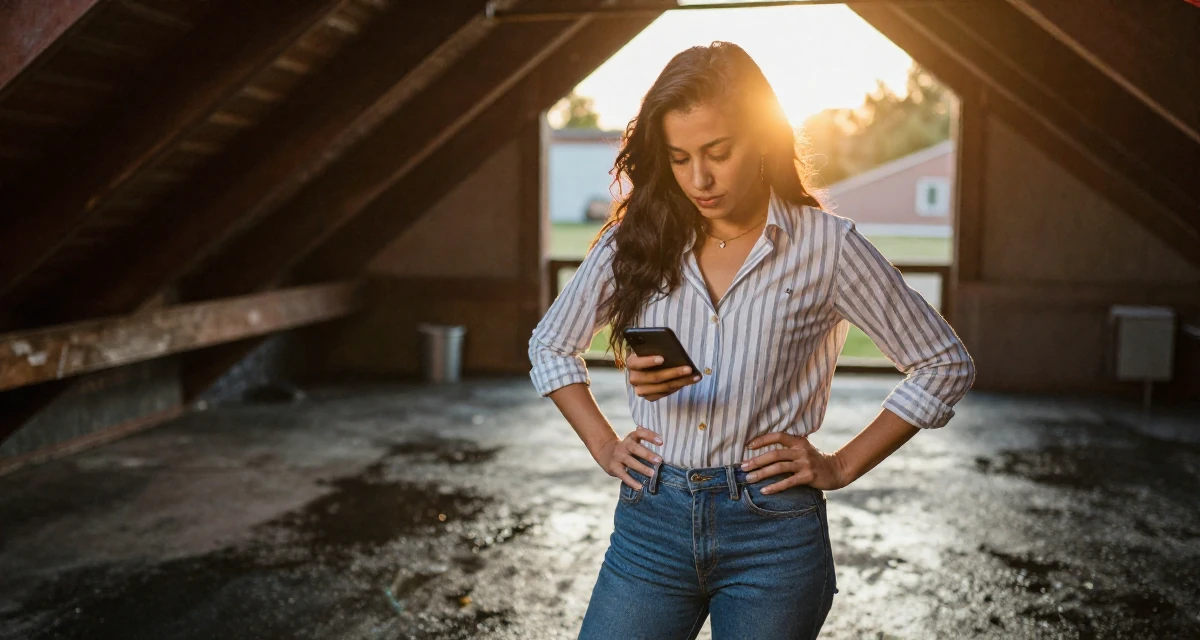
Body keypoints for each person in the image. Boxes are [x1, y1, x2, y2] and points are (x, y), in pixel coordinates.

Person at [527, 41, 976, 639]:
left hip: (774, 533)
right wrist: (604, 446)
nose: (699, 178)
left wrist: (840, 464)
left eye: (718, 152)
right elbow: (550, 345)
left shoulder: (827, 246)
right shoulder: (634, 240)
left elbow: (943, 363)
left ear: (764, 137)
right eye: (679, 157)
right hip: (651, 524)